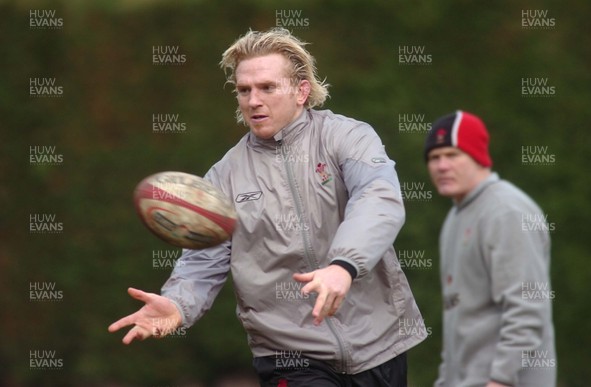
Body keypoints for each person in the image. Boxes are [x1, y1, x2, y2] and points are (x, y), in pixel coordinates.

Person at [109, 28, 426, 386]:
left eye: (267, 88)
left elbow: (378, 198)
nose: (253, 100)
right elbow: (202, 260)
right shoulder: (224, 176)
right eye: (244, 90)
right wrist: (178, 304)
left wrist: (343, 266)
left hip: (379, 344)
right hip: (290, 356)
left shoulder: (347, 137)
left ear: (301, 91)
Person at [424, 111, 557, 387]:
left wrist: (501, 378)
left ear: (478, 156)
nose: (442, 166)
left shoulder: (506, 211)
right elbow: (458, 318)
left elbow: (527, 305)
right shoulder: (456, 216)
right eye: (434, 158)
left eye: (452, 154)